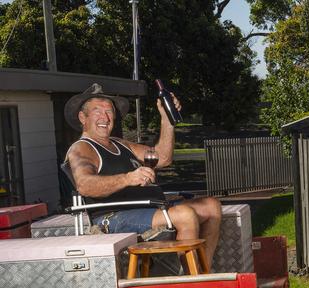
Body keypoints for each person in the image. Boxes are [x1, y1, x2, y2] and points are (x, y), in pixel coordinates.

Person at [64, 83, 222, 265]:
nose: (105, 117)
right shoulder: (82, 148)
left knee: (211, 206)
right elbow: (85, 185)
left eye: (109, 111)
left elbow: (162, 158)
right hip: (113, 217)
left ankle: (203, 273)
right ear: (82, 117)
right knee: (185, 215)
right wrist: (129, 178)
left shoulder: (121, 144)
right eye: (97, 111)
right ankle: (190, 283)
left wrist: (167, 119)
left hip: (149, 209)